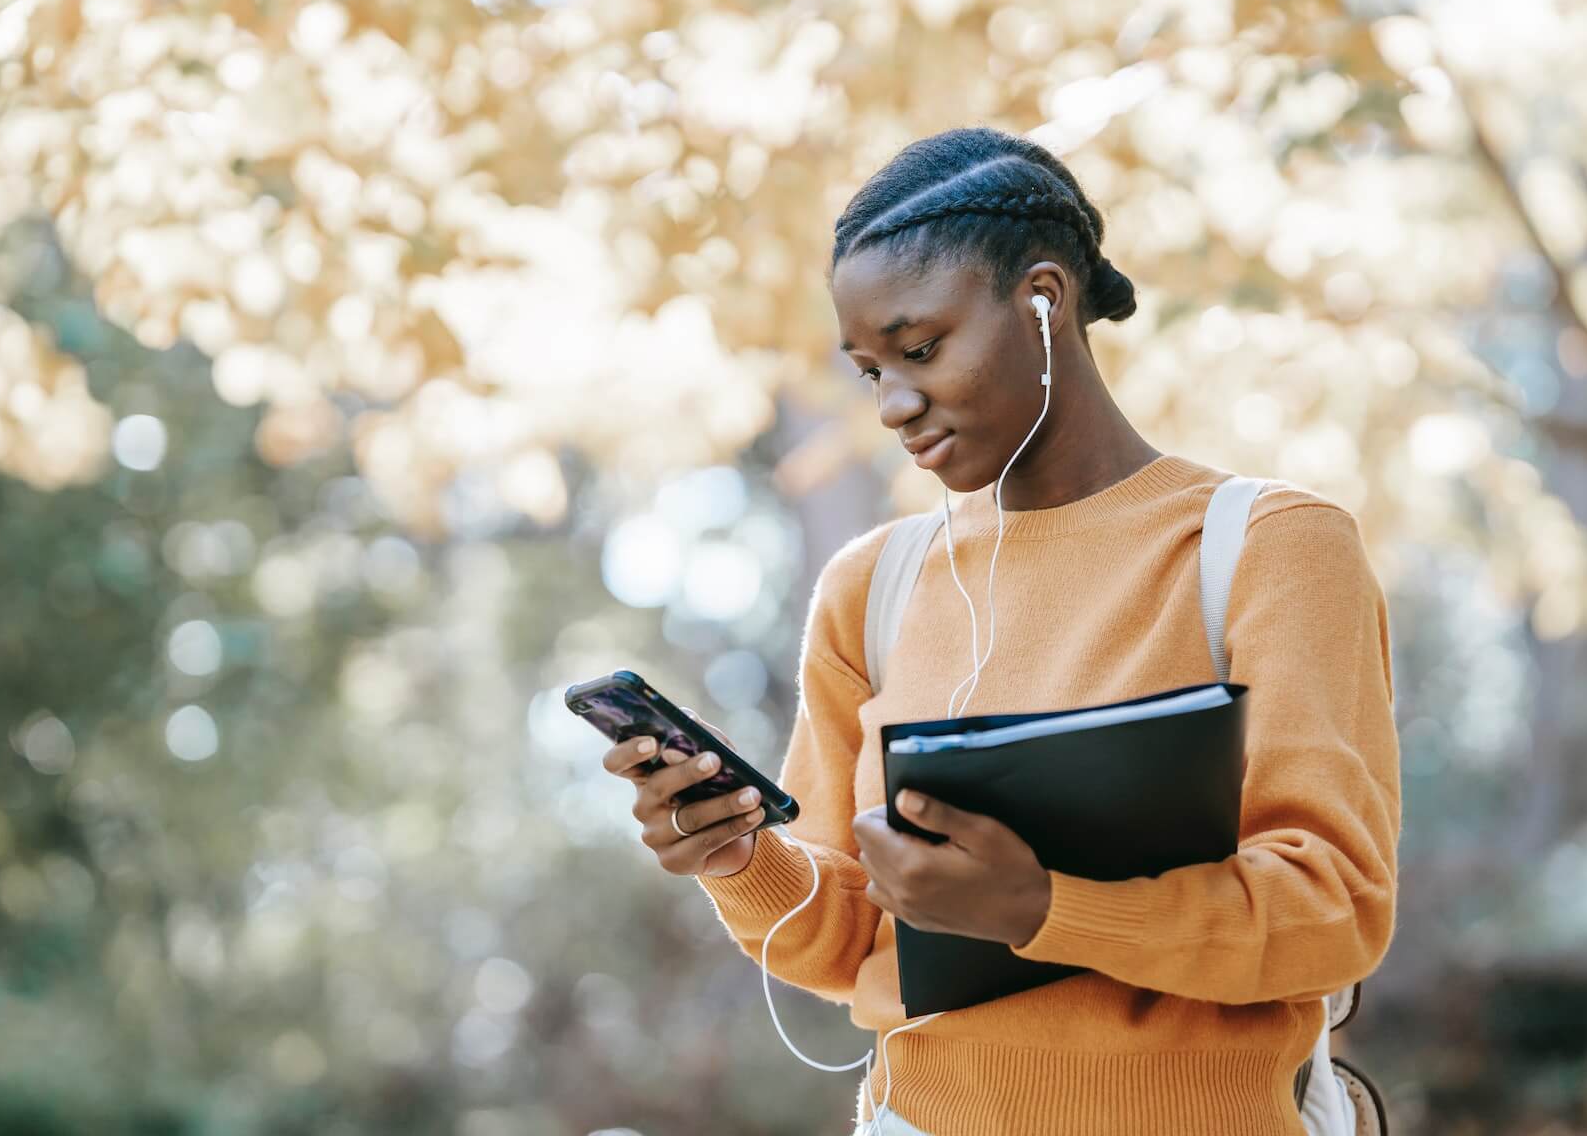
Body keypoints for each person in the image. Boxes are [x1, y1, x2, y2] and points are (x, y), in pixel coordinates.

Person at [600, 127, 1401, 1136]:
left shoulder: (1268, 548)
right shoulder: (873, 586)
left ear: (1044, 300)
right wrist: (735, 855)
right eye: (869, 369)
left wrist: (1039, 905)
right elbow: (843, 937)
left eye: (921, 348)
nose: (894, 402)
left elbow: (1334, 909)